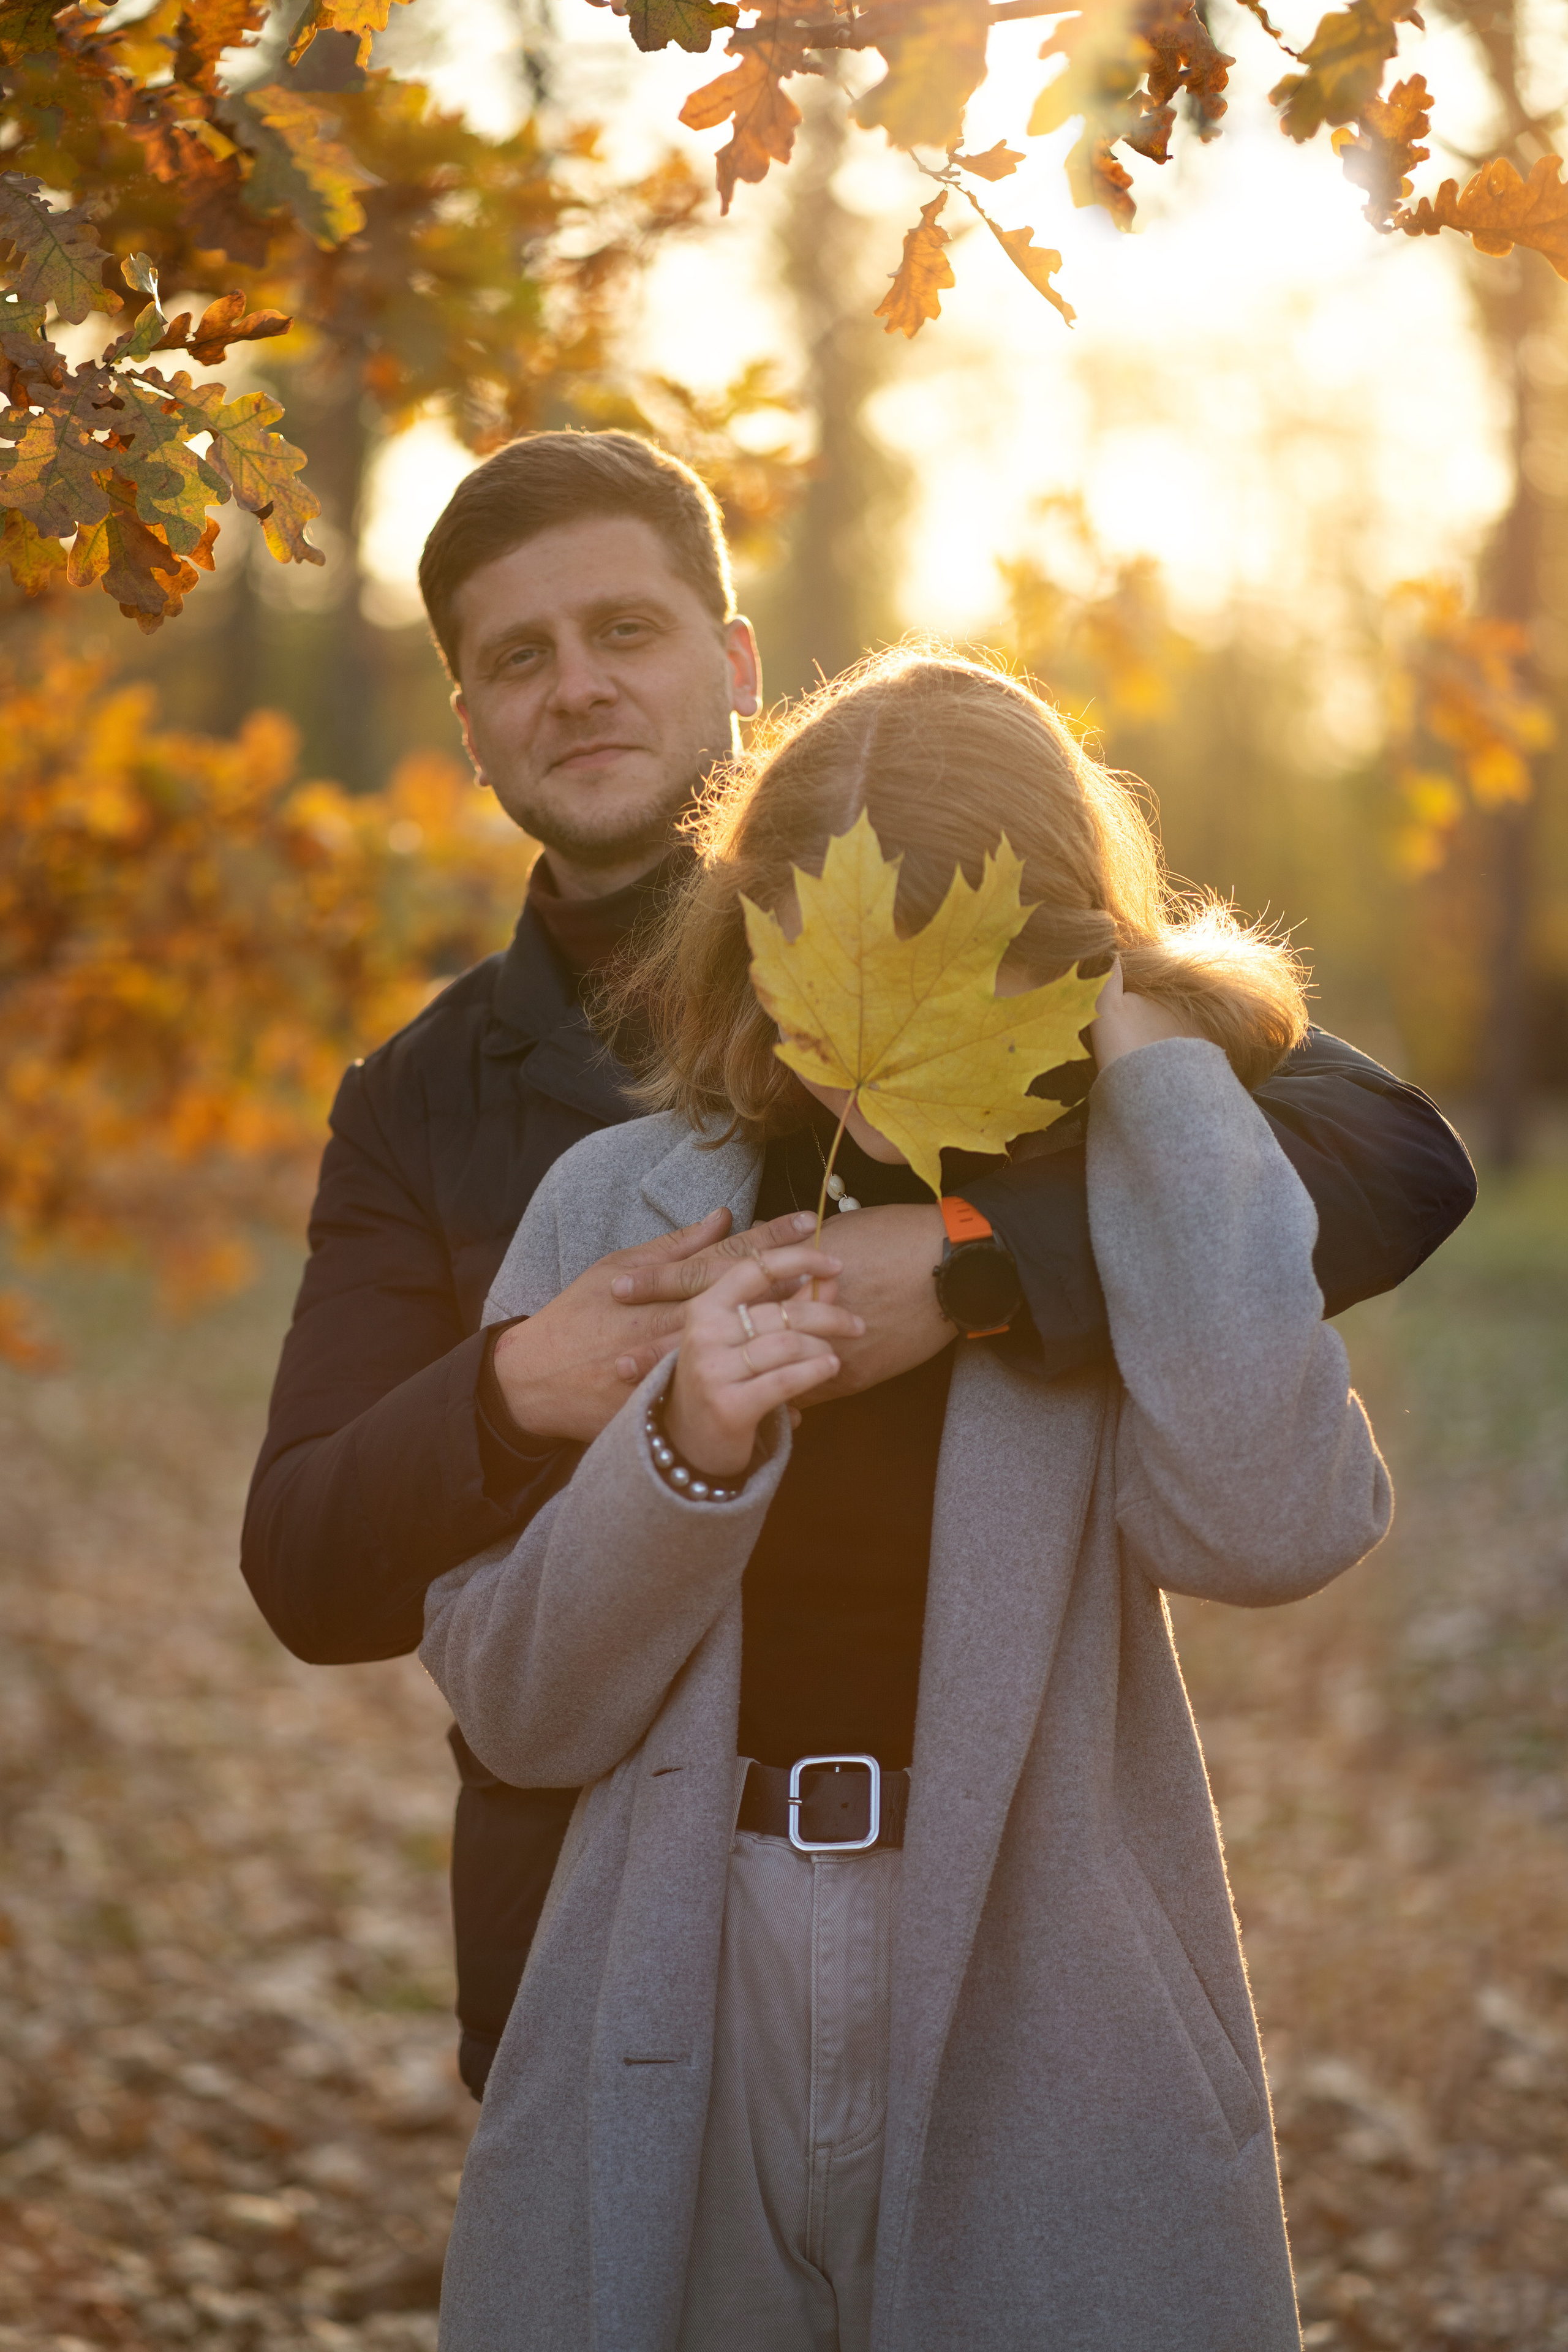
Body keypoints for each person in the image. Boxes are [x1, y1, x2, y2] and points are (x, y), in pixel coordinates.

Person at [241, 431, 1474, 2104]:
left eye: (626, 629)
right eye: (518, 657)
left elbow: (1384, 1150)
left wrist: (972, 1257)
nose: (577, 686)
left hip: (1008, 1941)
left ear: (738, 660)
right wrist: (528, 1383)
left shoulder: (957, 889)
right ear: (467, 721)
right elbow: (311, 1564)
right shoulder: (425, 1098)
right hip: (602, 1934)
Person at [422, 651, 1393, 2351]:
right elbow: (513, 1704)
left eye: (952, 977)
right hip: (689, 1979)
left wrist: (1158, 1074)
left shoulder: (1122, 1217)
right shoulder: (615, 1205)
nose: (856, 1049)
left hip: (1044, 2004)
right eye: (809, 967)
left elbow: (1275, 1525)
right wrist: (683, 1451)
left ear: (1061, 961)